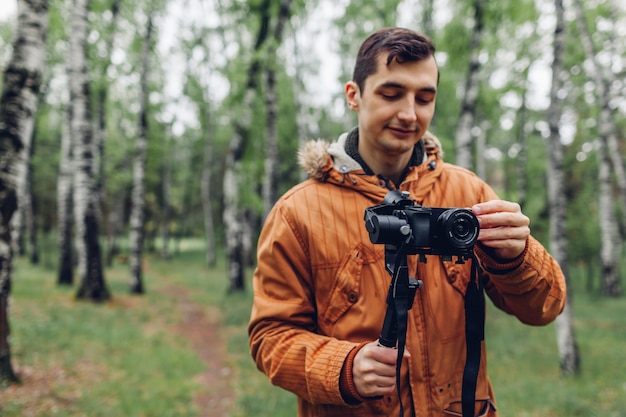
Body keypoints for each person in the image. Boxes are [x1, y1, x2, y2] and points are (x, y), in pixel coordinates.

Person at [248, 27, 566, 417]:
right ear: (354, 95)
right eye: (391, 93)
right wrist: (343, 369)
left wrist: (518, 257)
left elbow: (544, 309)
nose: (409, 113)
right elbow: (271, 338)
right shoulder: (298, 212)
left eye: (425, 98)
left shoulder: (469, 193)